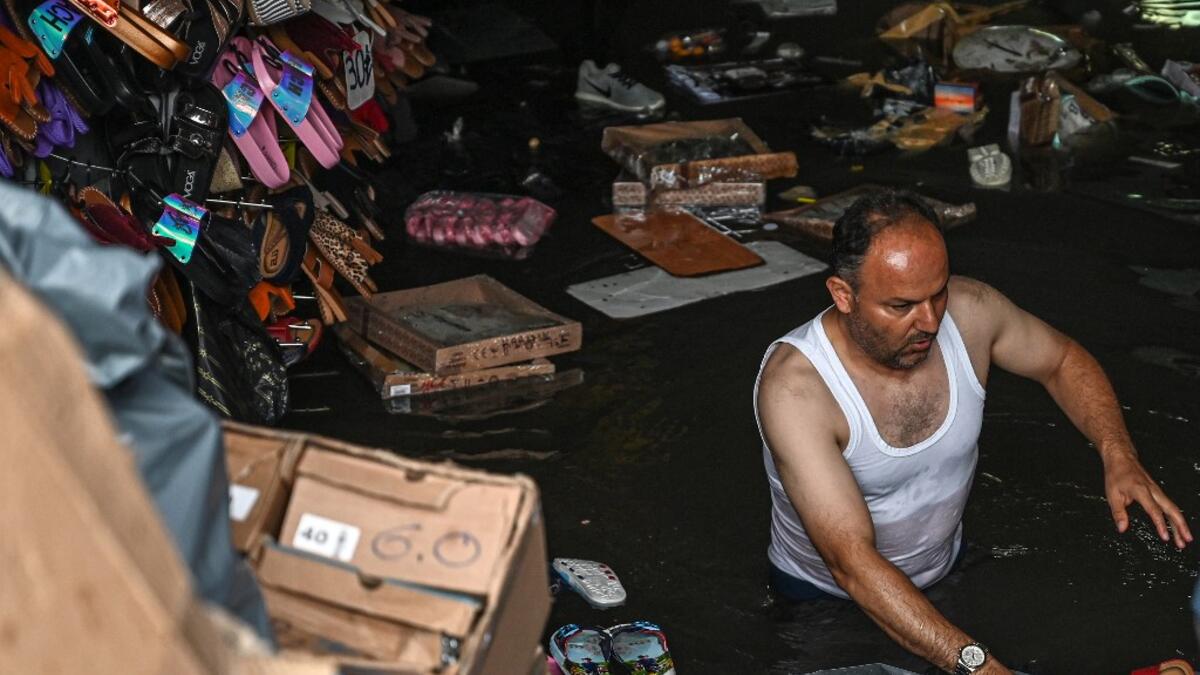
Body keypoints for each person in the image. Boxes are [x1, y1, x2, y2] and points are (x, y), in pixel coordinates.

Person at [753, 190, 1192, 674]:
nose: (929, 321)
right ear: (843, 295)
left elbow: (1062, 360)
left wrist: (1118, 452)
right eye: (901, 305)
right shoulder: (796, 390)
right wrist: (979, 666)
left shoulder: (972, 311)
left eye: (936, 293)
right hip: (826, 603)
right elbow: (852, 561)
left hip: (945, 568)